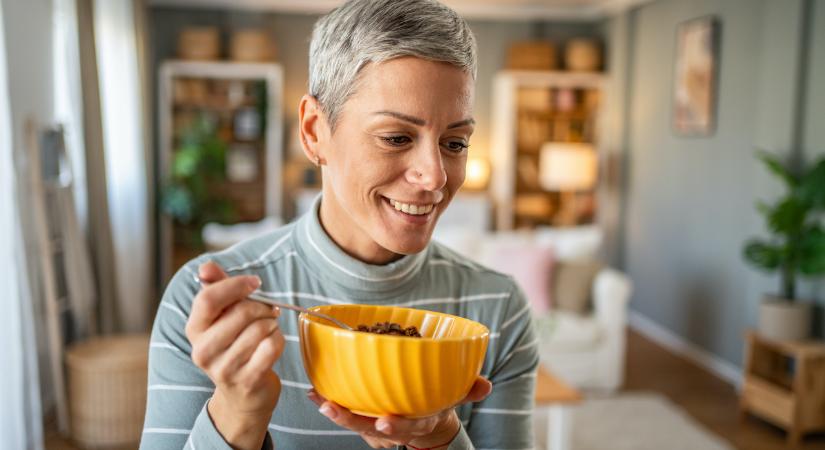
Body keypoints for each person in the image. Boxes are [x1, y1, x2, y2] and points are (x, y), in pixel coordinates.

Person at [141, 0, 538, 448]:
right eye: (396, 138)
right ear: (314, 131)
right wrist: (237, 414)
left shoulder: (498, 309)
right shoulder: (207, 309)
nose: (435, 175)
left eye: (455, 142)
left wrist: (442, 437)